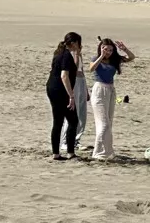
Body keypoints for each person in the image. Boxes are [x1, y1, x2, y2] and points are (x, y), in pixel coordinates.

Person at [86, 37, 135, 160]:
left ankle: (107, 152)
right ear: (100, 48)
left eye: (110, 50)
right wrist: (101, 56)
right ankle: (98, 153)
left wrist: (124, 49)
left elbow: (131, 58)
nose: (107, 52)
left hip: (111, 90)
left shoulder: (114, 60)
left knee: (109, 122)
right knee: (103, 124)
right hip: (99, 90)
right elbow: (91, 68)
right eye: (105, 49)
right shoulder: (96, 59)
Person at [47, 31, 82, 160]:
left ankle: (59, 153)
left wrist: (77, 54)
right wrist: (71, 96)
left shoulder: (60, 52)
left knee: (62, 121)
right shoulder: (65, 55)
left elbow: (75, 69)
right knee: (70, 121)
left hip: (53, 89)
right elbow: (64, 76)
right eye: (78, 43)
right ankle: (68, 152)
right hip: (60, 91)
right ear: (73, 43)